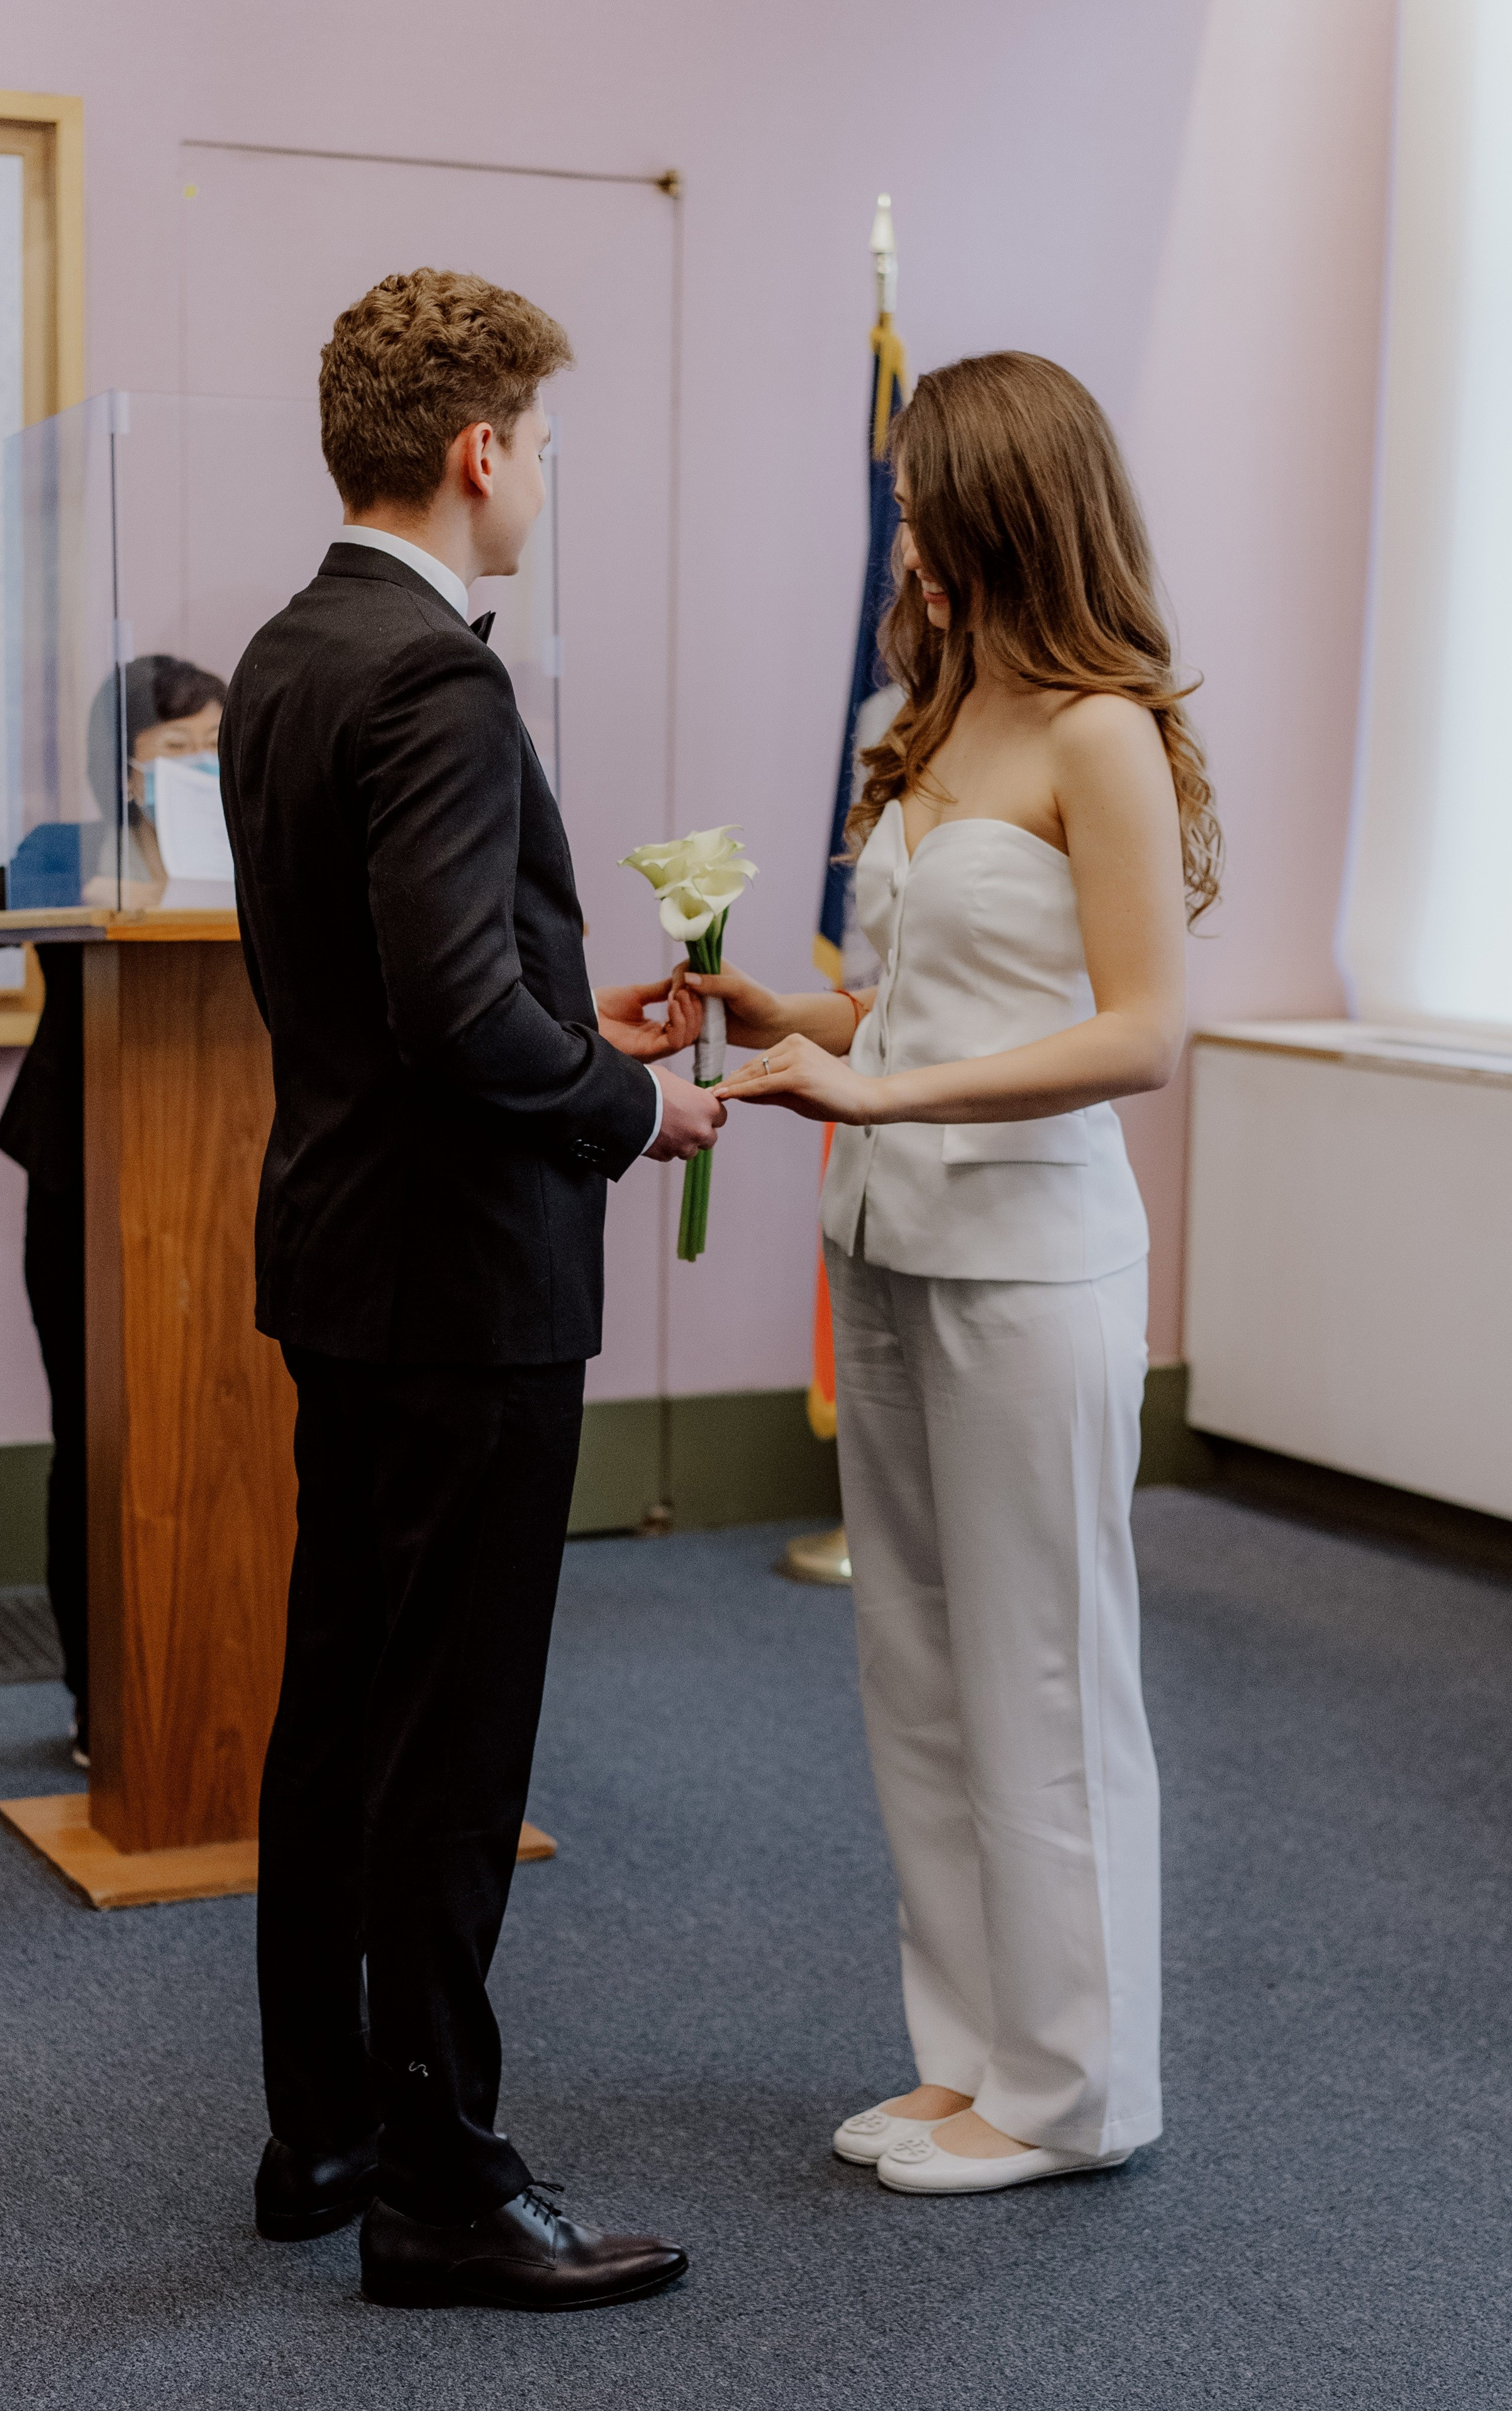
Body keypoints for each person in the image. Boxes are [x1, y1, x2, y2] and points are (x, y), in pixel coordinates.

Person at [220, 268, 716, 2310]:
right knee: (450, 1741)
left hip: (349, 1258)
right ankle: (438, 2176)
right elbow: (447, 1018)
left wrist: (543, 1011)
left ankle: (321, 2121)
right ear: (479, 450)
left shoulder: (284, 650)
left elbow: (393, 981)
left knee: (340, 1703)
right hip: (463, 1289)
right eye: (546, 443)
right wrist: (632, 1100)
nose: (548, 480)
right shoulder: (438, 679)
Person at [698, 352, 1220, 2195]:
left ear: (1007, 498)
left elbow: (1146, 1033)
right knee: (916, 1667)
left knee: (1049, 1675)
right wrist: (802, 1013)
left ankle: (1078, 2092)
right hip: (892, 1247)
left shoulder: (1104, 731)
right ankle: (974, 2056)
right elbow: (911, 1003)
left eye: (920, 494)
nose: (901, 525)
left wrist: (885, 1079)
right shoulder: (924, 725)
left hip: (1032, 1264)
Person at [0, 655, 229, 1767]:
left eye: (215, 744)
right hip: (81, 1175)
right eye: (177, 749)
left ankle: (215, 1676)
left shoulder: (255, 852)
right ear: (128, 765)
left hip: (213, 1179)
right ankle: (96, 1696)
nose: (201, 766)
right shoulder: (82, 850)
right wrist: (83, 894)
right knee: (94, 1439)